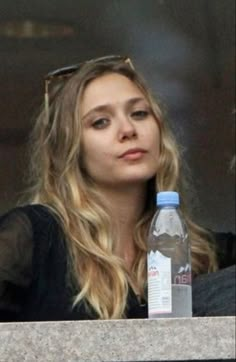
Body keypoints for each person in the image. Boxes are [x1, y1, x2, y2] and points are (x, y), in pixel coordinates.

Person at [0, 55, 235, 322]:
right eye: (100, 121)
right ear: (69, 149)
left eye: (139, 113)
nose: (128, 129)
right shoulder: (34, 237)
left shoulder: (206, 252)